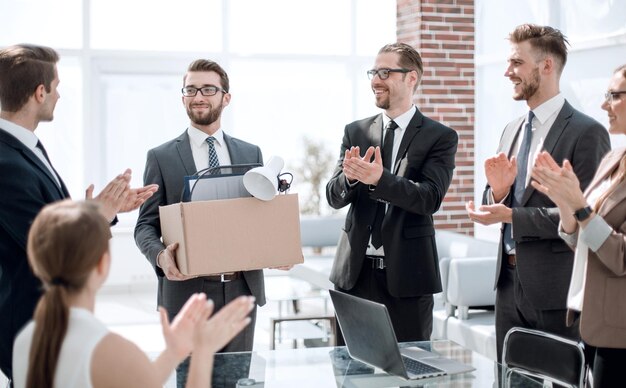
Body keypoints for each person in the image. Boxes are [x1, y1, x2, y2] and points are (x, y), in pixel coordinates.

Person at [0, 43, 158, 382]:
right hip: (32, 325)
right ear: (39, 92)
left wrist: (99, 210)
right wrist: (96, 215)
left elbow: (47, 220)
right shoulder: (5, 163)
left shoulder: (26, 145)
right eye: (56, 87)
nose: (59, 96)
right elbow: (44, 244)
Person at [466, 24, 611, 361]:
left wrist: (511, 215)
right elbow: (497, 197)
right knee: (512, 381)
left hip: (557, 292)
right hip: (506, 289)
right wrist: (498, 195)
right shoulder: (512, 128)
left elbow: (586, 215)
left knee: (562, 380)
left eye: (517, 63)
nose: (507, 72)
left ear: (546, 66)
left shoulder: (586, 133)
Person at [135, 58, 275, 387]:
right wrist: (160, 255)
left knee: (236, 380)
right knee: (190, 380)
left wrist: (274, 245)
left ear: (226, 97)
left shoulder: (250, 152)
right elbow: (144, 225)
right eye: (191, 89)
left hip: (242, 289)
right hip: (186, 292)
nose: (199, 96)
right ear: (182, 97)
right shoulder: (162, 156)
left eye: (208, 89)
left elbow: (258, 216)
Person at [12, 200, 254, 388]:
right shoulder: (111, 351)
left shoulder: (27, 340)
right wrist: (203, 351)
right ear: (102, 264)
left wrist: (173, 353)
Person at [326, 42, 458, 343]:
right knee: (351, 373)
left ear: (411, 78)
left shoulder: (440, 137)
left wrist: (380, 179)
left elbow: (429, 198)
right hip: (353, 277)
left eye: (385, 72)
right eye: (373, 72)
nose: (375, 80)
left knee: (409, 374)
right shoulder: (355, 131)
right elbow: (333, 197)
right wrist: (349, 179)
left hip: (408, 281)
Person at [530, 64, 626, 388]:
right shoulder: (614, 158)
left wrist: (581, 207)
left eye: (614, 95)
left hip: (619, 330)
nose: (604, 105)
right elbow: (583, 241)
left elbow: (621, 256)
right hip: (590, 319)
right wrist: (565, 203)